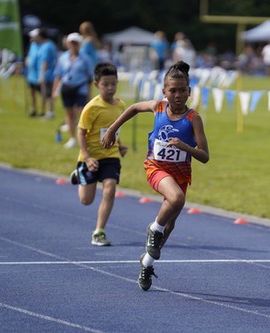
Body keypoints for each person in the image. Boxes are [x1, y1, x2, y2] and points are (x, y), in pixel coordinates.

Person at [102, 61, 209, 291]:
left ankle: (147, 263)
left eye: (182, 90)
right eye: (173, 90)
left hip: (180, 174)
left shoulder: (193, 119)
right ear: (164, 92)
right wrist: (113, 128)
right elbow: (132, 109)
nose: (178, 95)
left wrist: (184, 146)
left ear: (189, 91)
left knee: (170, 226)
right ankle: (154, 229)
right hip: (156, 168)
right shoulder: (158, 107)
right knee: (177, 200)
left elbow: (204, 156)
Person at [70, 62, 128, 246]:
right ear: (96, 84)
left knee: (110, 188)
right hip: (90, 157)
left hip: (110, 155)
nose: (110, 88)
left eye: (114, 83)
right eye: (106, 84)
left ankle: (99, 231)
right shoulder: (91, 108)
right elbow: (80, 132)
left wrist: (119, 145)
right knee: (86, 200)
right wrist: (87, 157)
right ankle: (79, 175)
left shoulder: (121, 106)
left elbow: (113, 130)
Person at [53, 32, 93, 149]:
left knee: (82, 114)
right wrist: (55, 90)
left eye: (76, 43)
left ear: (79, 44)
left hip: (81, 87)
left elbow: (90, 77)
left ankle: (84, 138)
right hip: (67, 87)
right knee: (69, 113)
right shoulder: (63, 57)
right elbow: (58, 75)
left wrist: (89, 93)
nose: (73, 45)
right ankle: (72, 138)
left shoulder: (85, 58)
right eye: (72, 43)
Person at [36, 28, 57, 119]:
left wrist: (42, 75)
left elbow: (45, 61)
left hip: (48, 74)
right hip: (51, 73)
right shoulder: (50, 44)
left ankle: (50, 112)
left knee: (48, 94)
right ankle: (49, 111)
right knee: (48, 93)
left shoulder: (46, 46)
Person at [79, 21, 101, 99]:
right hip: (89, 65)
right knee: (87, 86)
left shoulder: (88, 40)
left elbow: (83, 52)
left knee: (86, 86)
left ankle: (86, 101)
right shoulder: (89, 39)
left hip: (87, 65)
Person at [25, 29, 41, 117]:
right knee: (32, 93)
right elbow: (29, 56)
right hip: (31, 74)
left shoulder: (42, 46)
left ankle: (43, 110)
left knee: (43, 94)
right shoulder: (32, 45)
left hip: (38, 74)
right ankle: (33, 109)